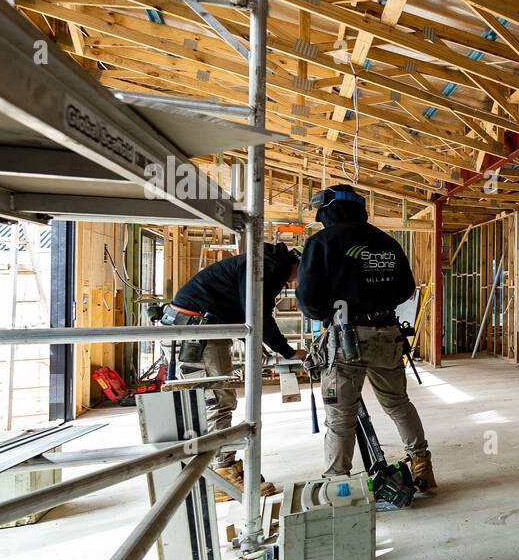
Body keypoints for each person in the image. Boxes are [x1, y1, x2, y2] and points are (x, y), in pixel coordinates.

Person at [297, 184, 436, 490]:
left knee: (340, 417)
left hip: (345, 339)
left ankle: (338, 485)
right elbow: (405, 290)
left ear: (327, 210)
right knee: (398, 403)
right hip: (387, 333)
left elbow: (308, 300)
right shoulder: (385, 241)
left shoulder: (321, 242)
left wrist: (329, 312)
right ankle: (422, 464)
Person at [164, 242, 305, 499]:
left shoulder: (266, 262)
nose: (297, 281)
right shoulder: (270, 267)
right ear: (297, 265)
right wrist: (287, 351)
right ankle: (223, 473)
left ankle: (223, 464)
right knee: (218, 401)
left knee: (218, 400)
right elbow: (258, 313)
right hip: (197, 332)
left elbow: (243, 307)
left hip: (201, 326)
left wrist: (255, 342)